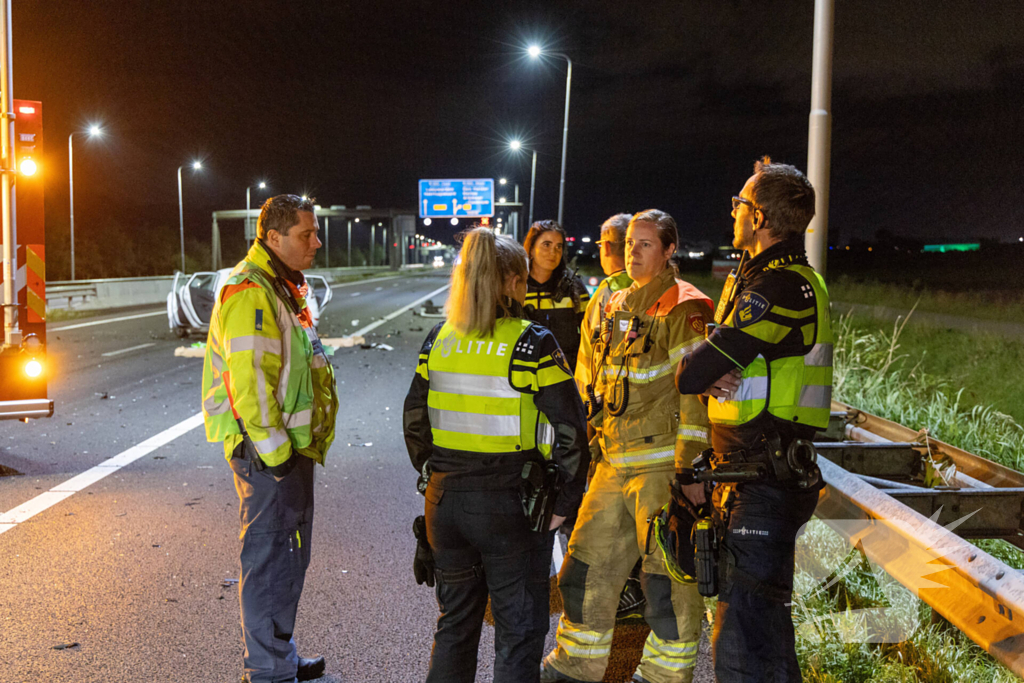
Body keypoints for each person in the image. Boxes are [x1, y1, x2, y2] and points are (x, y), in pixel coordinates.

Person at [403, 227, 589, 683]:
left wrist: (440, 475)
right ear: (508, 282)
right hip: (511, 506)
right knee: (518, 632)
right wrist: (563, 506)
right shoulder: (532, 343)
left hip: (445, 504)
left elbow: (414, 423)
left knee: (455, 627)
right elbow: (571, 431)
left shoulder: (438, 338)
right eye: (523, 281)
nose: (526, 290)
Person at [674, 158, 831, 682]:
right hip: (752, 472)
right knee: (763, 633)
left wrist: (700, 365)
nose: (734, 212)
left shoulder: (781, 288)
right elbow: (714, 365)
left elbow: (696, 373)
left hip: (764, 479)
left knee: (743, 641)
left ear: (760, 217)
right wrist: (711, 364)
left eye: (740, 203)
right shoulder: (764, 278)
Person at [542, 210, 713, 683]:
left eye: (644, 244)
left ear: (669, 250)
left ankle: (664, 675)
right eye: (630, 242)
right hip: (611, 461)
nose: (631, 251)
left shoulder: (686, 307)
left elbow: (697, 396)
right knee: (583, 566)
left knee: (666, 578)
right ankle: (575, 665)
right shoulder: (612, 300)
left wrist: (691, 471)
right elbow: (587, 377)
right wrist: (585, 443)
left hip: (660, 467)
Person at [201, 194, 338, 683]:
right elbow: (251, 385)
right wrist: (279, 458)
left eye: (315, 232)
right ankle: (265, 670)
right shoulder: (250, 291)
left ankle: (279, 655)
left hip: (288, 450)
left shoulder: (282, 286)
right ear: (274, 237)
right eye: (307, 234)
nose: (316, 243)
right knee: (267, 558)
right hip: (267, 454)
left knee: (289, 557)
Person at [523, 220, 590, 372]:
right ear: (531, 249)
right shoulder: (516, 286)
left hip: (566, 373)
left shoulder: (574, 287)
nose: (553, 252)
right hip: (526, 372)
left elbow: (590, 332)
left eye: (558, 247)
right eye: (546, 245)